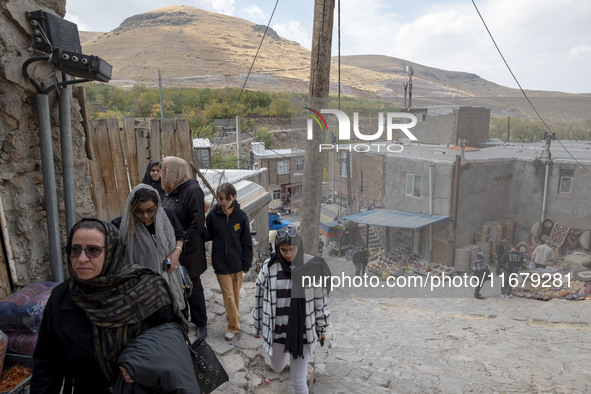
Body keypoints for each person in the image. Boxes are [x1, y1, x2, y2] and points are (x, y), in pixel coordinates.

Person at [31, 218, 187, 393]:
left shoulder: (147, 288)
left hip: (144, 387)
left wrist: (141, 359)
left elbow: (174, 334)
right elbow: (47, 361)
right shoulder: (62, 296)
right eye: (75, 250)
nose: (81, 259)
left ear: (113, 252)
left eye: (93, 250)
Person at [253, 226, 330, 394]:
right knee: (277, 366)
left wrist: (321, 328)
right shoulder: (269, 267)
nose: (288, 254)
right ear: (277, 248)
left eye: (292, 249)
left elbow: (320, 300)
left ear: (299, 247)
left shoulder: (311, 267)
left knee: (298, 382)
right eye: (284, 250)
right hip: (277, 332)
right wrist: (258, 325)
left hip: (301, 333)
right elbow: (259, 297)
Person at [116, 184, 187, 315]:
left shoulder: (167, 216)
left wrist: (176, 253)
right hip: (142, 291)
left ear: (157, 206)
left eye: (151, 210)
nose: (146, 216)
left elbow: (180, 235)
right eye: (139, 211)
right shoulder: (121, 227)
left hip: (171, 283)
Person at [161, 156, 208, 339]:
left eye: (166, 171)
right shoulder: (170, 191)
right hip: (171, 249)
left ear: (174, 172)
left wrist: (181, 242)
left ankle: (201, 322)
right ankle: (184, 316)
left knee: (193, 287)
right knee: (176, 285)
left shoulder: (192, 190)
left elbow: (198, 223)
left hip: (188, 250)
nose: (163, 175)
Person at [204, 183, 253, 341]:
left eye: (227, 198)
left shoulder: (241, 216)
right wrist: (198, 224)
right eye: (220, 198)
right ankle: (233, 326)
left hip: (237, 264)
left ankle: (230, 314)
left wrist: (246, 263)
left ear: (234, 197)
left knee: (235, 295)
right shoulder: (212, 215)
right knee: (229, 295)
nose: (223, 202)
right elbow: (208, 235)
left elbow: (246, 242)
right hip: (220, 264)